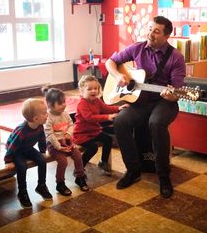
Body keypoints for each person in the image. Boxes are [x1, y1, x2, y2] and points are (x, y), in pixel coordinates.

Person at [105, 16, 186, 198]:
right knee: (120, 122)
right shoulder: (137, 47)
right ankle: (133, 170)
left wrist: (171, 94)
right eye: (150, 29)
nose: (151, 33)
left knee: (156, 123)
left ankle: (163, 175)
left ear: (166, 36)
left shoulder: (176, 57)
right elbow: (110, 62)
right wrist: (118, 75)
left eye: (156, 31)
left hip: (165, 103)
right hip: (140, 101)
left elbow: (177, 91)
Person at [73, 75, 127, 175]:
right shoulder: (82, 104)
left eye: (96, 88)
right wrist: (107, 117)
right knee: (93, 148)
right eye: (89, 89)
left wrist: (118, 108)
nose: (93, 91)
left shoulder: (97, 101)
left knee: (108, 139)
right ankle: (79, 169)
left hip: (94, 131)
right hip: (82, 134)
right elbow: (89, 118)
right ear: (82, 91)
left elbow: (106, 108)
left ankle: (103, 162)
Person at [4, 98, 53, 209]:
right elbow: (12, 147)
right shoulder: (22, 131)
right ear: (36, 118)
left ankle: (41, 185)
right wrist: (8, 161)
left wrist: (42, 151)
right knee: (22, 166)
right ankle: (22, 192)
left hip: (27, 148)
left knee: (41, 160)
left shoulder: (39, 126)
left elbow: (42, 139)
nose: (47, 115)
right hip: (16, 151)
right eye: (45, 113)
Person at [43, 87, 89, 196]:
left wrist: (68, 134)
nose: (63, 105)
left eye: (64, 102)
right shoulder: (48, 118)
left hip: (66, 141)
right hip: (54, 145)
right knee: (63, 161)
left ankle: (80, 177)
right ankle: (60, 183)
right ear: (49, 104)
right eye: (60, 103)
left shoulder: (65, 114)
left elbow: (71, 124)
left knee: (77, 155)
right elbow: (49, 135)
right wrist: (59, 147)